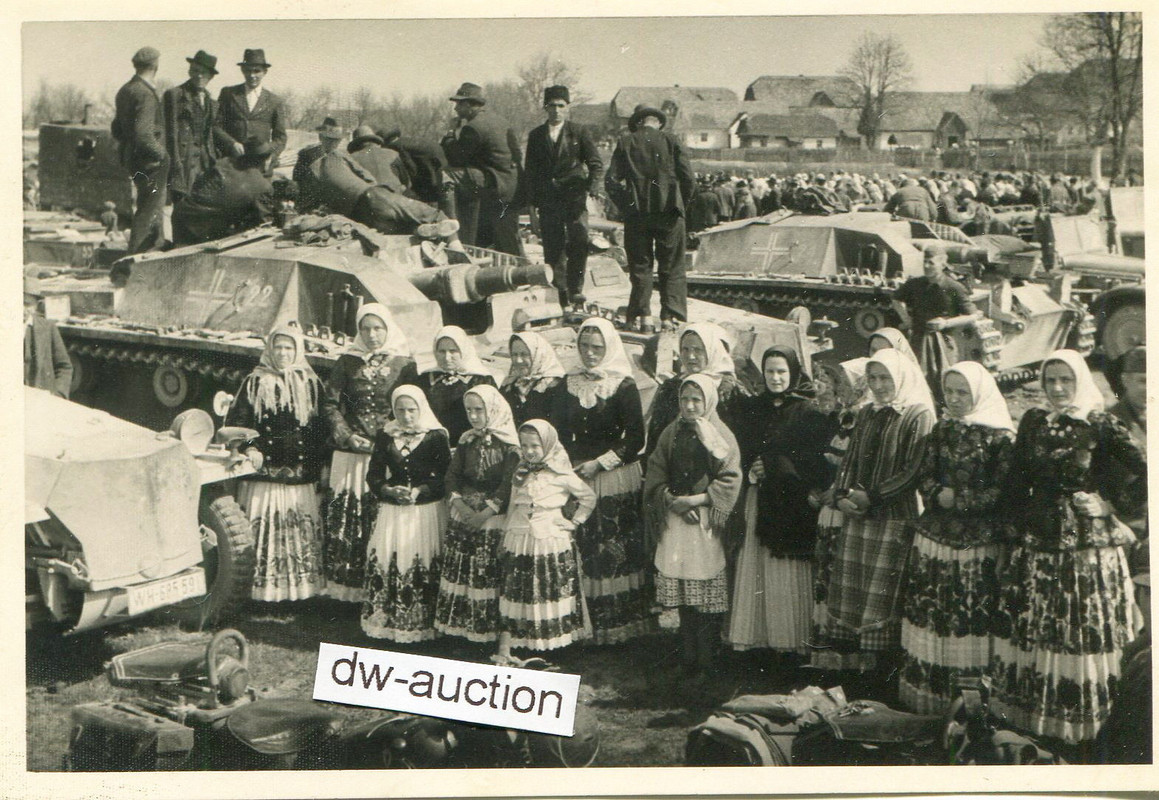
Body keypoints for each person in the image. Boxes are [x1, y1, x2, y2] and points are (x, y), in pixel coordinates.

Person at [991, 350, 1146, 746]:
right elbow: (1015, 480)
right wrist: (1011, 533)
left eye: (1066, 380)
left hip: (1084, 550)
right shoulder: (1033, 421)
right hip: (1038, 543)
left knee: (1076, 628)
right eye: (1050, 381)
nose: (1058, 389)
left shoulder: (1099, 423)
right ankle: (1036, 717)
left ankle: (1080, 726)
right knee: (1041, 627)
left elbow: (1146, 470)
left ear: (1080, 381)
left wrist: (1110, 504)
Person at [898, 362, 1015, 715]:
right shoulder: (942, 429)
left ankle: (972, 703)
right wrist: (936, 494)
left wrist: (961, 500)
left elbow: (1005, 489)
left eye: (963, 392)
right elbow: (925, 472)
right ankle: (931, 695)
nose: (954, 399)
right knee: (936, 616)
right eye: (949, 391)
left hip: (977, 545)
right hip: (936, 538)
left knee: (969, 619)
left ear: (979, 392)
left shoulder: (1001, 437)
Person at [814, 349, 936, 682]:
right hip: (858, 513)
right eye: (873, 378)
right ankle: (853, 677)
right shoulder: (867, 412)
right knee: (855, 595)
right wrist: (843, 495)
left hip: (894, 516)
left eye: (886, 378)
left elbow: (913, 470)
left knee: (883, 598)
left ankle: (883, 678)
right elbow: (850, 459)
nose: (879, 386)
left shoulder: (917, 415)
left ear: (901, 378)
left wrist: (873, 496)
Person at [728, 347, 837, 658]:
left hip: (791, 503)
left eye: (781, 372)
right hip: (759, 496)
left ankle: (790, 641)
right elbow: (742, 451)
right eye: (770, 372)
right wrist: (752, 468)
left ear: (792, 374)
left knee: (785, 571)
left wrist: (776, 466)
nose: (775, 378)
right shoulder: (752, 408)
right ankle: (757, 639)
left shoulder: (808, 413)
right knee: (757, 567)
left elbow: (816, 462)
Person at [554, 317, 653, 643]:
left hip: (611, 477)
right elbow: (557, 432)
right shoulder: (566, 383)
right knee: (580, 546)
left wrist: (599, 463)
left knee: (611, 549)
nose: (590, 353)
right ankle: (581, 626)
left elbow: (636, 438)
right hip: (576, 475)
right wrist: (569, 465)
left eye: (597, 347)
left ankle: (618, 627)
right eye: (584, 346)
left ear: (609, 347)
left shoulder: (623, 385)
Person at [645, 374, 742, 683]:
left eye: (696, 400)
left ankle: (707, 659)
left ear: (709, 401)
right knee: (686, 593)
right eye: (684, 400)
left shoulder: (720, 434)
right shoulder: (670, 433)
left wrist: (697, 501)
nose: (689, 406)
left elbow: (730, 477)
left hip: (704, 522)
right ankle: (688, 656)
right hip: (677, 521)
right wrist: (671, 498)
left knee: (705, 593)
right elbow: (656, 469)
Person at [319, 303, 419, 602]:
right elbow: (330, 404)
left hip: (387, 455)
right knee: (349, 519)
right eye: (365, 328)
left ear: (388, 329)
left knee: (382, 519)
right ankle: (347, 592)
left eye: (378, 328)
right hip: (351, 457)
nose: (372, 335)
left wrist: (393, 442)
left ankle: (382, 590)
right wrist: (347, 436)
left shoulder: (405, 364)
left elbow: (413, 407)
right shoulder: (348, 362)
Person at [225, 324, 326, 601]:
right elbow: (236, 423)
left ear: (297, 351)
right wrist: (249, 448)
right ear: (270, 350)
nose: (283, 353)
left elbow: (319, 429)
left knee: (297, 533)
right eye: (278, 347)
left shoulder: (310, 383)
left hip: (298, 474)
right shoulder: (255, 382)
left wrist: (320, 468)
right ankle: (261, 593)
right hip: (264, 475)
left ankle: (299, 593)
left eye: (289, 348)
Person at [494, 419, 596, 666]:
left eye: (535, 446)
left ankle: (554, 646)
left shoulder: (562, 473)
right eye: (525, 446)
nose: (529, 451)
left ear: (548, 445)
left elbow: (588, 497)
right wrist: (506, 534)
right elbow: (511, 503)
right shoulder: (519, 472)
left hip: (550, 539)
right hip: (520, 539)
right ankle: (521, 645)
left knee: (549, 590)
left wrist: (574, 522)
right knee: (522, 591)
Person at [362, 385, 452, 641]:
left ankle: (423, 625)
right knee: (392, 559)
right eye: (400, 410)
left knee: (421, 558)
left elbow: (446, 477)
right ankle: (389, 623)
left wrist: (420, 491)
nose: (406, 415)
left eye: (411, 410)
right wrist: (389, 490)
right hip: (394, 510)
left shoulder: (436, 436)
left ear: (421, 408)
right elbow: (374, 475)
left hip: (425, 511)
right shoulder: (386, 436)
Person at [434, 385, 522, 643]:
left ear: (493, 410)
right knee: (463, 573)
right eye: (469, 410)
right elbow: (452, 475)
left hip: (492, 518)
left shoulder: (510, 445)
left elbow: (508, 484)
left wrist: (484, 513)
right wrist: (459, 505)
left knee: (487, 573)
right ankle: (460, 629)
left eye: (479, 410)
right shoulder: (466, 440)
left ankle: (487, 631)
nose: (473, 416)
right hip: (465, 514)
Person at [605, 104, 694, 331]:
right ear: (659, 122)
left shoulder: (626, 142)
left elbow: (611, 182)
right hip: (669, 214)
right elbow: (689, 179)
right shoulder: (672, 141)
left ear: (638, 122)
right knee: (672, 265)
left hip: (637, 215)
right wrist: (679, 203)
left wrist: (628, 205)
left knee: (640, 267)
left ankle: (642, 316)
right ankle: (669, 317)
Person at [517, 86, 603, 308]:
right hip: (548, 200)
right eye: (552, 106)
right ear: (545, 107)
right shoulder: (536, 135)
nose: (556, 110)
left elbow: (595, 163)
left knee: (579, 242)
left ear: (568, 107)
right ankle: (560, 291)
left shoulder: (579, 132)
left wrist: (592, 188)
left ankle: (576, 290)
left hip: (574, 197)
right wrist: (532, 205)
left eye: (561, 106)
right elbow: (531, 172)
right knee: (553, 247)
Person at [440, 82, 522, 255]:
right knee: (508, 239)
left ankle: (452, 227)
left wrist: (449, 133)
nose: (456, 109)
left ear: (469, 105)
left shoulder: (473, 127)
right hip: (510, 183)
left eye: (459, 104)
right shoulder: (500, 120)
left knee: (445, 176)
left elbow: (456, 157)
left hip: (494, 183)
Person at [309, 147, 459, 239]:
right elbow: (366, 176)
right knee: (432, 214)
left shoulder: (312, 176)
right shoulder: (337, 155)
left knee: (394, 231)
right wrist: (378, 190)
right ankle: (451, 239)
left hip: (356, 213)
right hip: (373, 196)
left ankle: (417, 230)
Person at [644, 322, 737, 463]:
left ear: (713, 350)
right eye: (685, 349)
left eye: (698, 350)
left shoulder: (728, 391)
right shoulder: (671, 387)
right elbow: (655, 438)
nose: (690, 356)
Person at [890, 251, 978, 395]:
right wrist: (907, 319)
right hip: (919, 339)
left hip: (943, 342)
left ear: (943, 265)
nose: (926, 266)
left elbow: (973, 316)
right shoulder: (915, 284)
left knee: (944, 379)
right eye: (925, 261)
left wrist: (946, 323)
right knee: (916, 377)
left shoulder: (953, 287)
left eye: (931, 263)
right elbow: (896, 299)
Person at [111, 46, 168, 254]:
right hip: (150, 161)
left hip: (133, 160)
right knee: (149, 209)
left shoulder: (125, 90)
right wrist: (162, 154)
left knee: (148, 207)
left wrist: (129, 146)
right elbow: (144, 134)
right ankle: (137, 258)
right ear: (155, 66)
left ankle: (154, 249)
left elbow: (116, 129)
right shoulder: (146, 94)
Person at [171, 136, 275, 245]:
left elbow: (199, 185)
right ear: (266, 160)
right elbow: (264, 225)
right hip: (206, 229)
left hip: (182, 214)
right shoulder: (262, 186)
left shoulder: (223, 162)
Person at [412, 326, 497, 447]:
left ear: (463, 350)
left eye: (453, 351)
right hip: (432, 446)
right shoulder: (425, 379)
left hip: (470, 445)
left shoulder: (481, 379)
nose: (447, 357)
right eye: (441, 351)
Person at [213, 49, 287, 177]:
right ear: (242, 71)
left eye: (257, 71)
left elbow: (280, 137)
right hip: (232, 163)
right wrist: (231, 143)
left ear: (265, 72)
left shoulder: (275, 101)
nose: (252, 75)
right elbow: (216, 126)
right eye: (248, 70)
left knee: (260, 196)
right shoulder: (228, 94)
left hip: (260, 166)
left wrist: (270, 154)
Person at [163, 50, 218, 204]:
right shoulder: (174, 95)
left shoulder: (211, 102)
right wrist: (174, 165)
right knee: (182, 206)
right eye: (195, 71)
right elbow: (168, 132)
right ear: (189, 71)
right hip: (183, 162)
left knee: (202, 206)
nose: (199, 76)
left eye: (204, 73)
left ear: (211, 76)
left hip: (205, 163)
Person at [500, 330, 566, 426]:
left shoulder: (554, 386)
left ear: (538, 355)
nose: (518, 360)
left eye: (524, 354)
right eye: (514, 354)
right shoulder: (509, 384)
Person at [23, 269, 72, 398]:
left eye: (27, 304)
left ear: (36, 305)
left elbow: (64, 367)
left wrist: (58, 395)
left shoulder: (48, 328)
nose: (21, 309)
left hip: (41, 400)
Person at [292, 117, 346, 212]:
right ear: (321, 137)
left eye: (337, 140)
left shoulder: (342, 158)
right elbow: (296, 179)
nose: (334, 143)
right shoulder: (307, 155)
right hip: (309, 205)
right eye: (330, 139)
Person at [347, 125, 408, 192]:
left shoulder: (352, 158)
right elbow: (407, 182)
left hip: (371, 198)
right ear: (375, 141)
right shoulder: (393, 153)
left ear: (356, 144)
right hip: (396, 197)